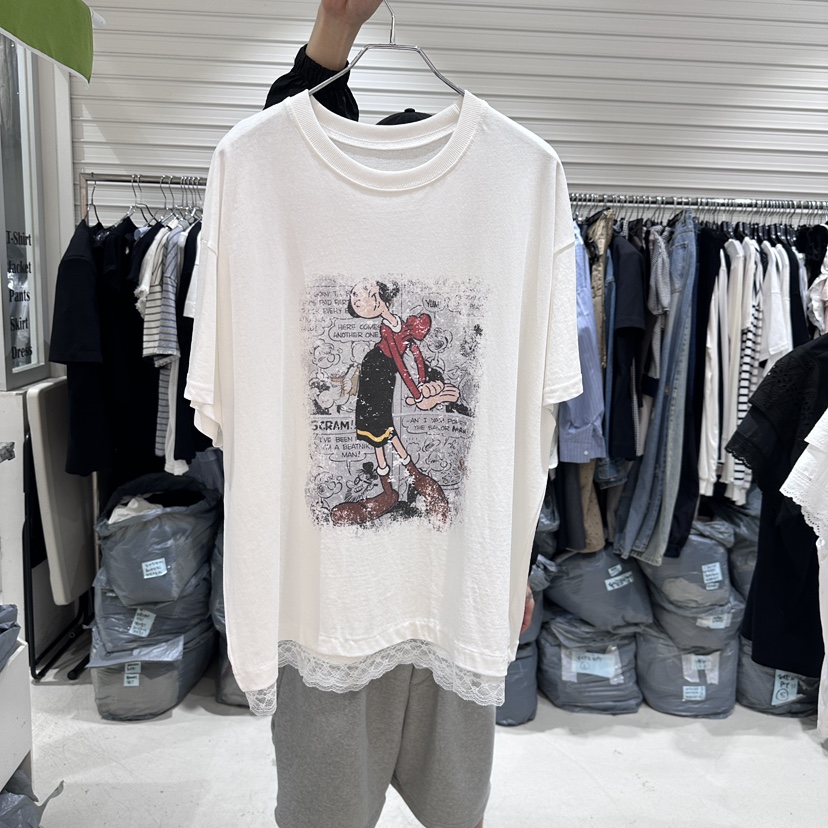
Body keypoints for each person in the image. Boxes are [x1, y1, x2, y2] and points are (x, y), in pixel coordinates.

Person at [261, 3, 536, 827]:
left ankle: (406, 484)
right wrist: (332, 34)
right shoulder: (304, 211)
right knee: (325, 803)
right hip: (329, 602)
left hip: (451, 594)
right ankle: (400, 483)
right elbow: (282, 146)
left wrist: (515, 560)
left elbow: (532, 422)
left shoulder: (520, 194)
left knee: (454, 803)